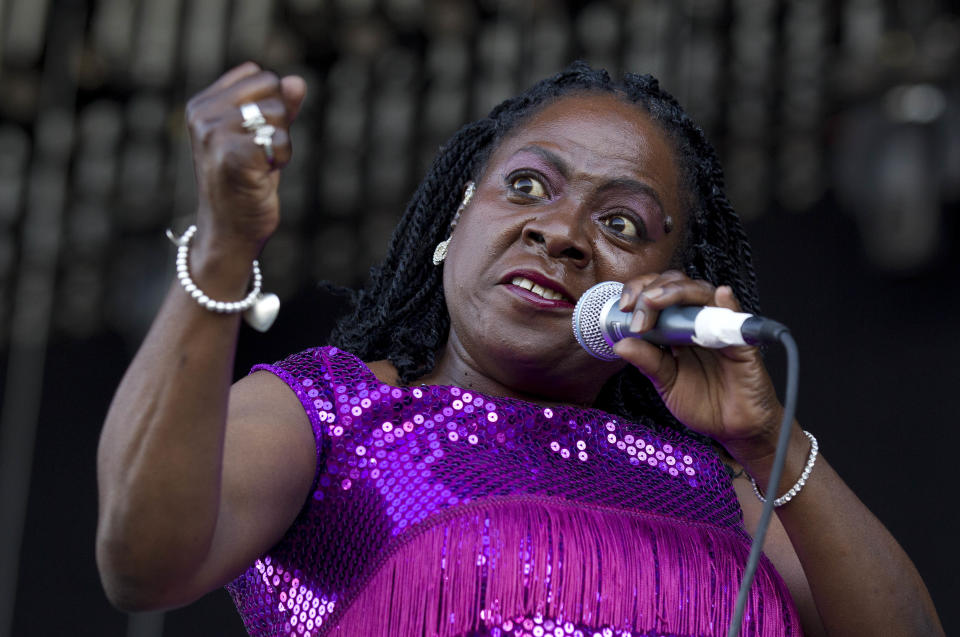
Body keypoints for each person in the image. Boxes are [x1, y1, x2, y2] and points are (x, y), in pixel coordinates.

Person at [95, 61, 943, 637]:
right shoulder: (336, 412)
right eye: (528, 185)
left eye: (621, 224)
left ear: (662, 283)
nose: (562, 231)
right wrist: (221, 246)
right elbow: (143, 561)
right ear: (454, 220)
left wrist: (768, 445)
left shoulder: (719, 486)